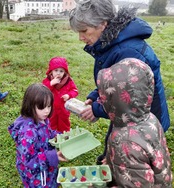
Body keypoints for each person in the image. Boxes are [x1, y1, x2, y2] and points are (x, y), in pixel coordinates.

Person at [69, 0, 170, 164]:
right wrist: (95, 96)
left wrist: (96, 109)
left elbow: (129, 99)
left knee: (133, 163)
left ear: (102, 24)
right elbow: (114, 80)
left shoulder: (127, 51)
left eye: (84, 31)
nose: (81, 37)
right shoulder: (111, 42)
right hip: (130, 116)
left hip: (144, 121)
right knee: (116, 147)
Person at [96, 58, 172, 187]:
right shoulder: (148, 118)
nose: (99, 100)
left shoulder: (125, 141)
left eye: (104, 96)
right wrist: (111, 159)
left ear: (113, 100)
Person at [8, 83, 67, 188]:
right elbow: (28, 161)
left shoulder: (41, 119)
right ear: (30, 106)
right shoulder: (27, 134)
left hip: (46, 169)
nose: (47, 111)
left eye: (49, 106)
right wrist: (52, 156)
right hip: (37, 176)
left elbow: (47, 133)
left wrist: (59, 136)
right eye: (42, 107)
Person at [42, 57, 78, 133]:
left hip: (63, 108)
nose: (58, 73)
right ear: (51, 71)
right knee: (51, 123)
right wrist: (51, 83)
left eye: (61, 71)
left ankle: (64, 136)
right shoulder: (48, 80)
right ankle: (52, 136)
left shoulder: (68, 81)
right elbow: (42, 90)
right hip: (51, 108)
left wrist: (69, 95)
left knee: (64, 123)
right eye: (56, 70)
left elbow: (75, 90)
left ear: (65, 72)